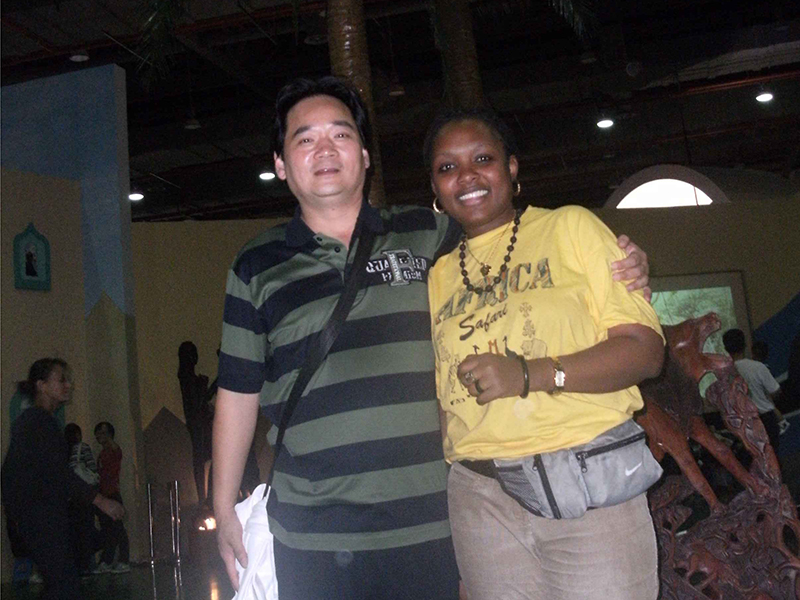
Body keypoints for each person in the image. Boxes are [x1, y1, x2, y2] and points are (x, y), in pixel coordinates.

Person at [212, 76, 651, 599]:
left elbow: (502, 229)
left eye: (341, 134)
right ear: (282, 164)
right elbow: (237, 394)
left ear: (365, 156)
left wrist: (624, 262)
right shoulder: (256, 265)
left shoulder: (426, 234)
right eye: (304, 139)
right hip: (312, 530)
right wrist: (222, 508)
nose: (325, 150)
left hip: (428, 523)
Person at [424, 108, 665, 600]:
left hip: (586, 483)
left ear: (512, 167)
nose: (466, 176)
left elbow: (645, 352)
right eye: (448, 167)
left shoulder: (571, 228)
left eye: (483, 159)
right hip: (479, 497)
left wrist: (529, 374)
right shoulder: (436, 276)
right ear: (435, 187)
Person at [1, 359, 125, 600]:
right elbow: (56, 472)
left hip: (39, 516)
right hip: (40, 517)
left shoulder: (37, 421)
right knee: (65, 586)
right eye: (61, 380)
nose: (68, 385)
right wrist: (100, 501)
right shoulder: (37, 422)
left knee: (63, 585)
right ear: (42, 385)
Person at [723, 329, 785, 452]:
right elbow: (775, 391)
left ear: (726, 349)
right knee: (773, 456)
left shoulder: (725, 374)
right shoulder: (758, 367)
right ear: (745, 345)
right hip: (766, 420)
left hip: (744, 424)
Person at [178, 341, 215, 505]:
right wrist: (205, 385)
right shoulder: (187, 378)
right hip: (198, 424)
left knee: (207, 459)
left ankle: (206, 497)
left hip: (199, 424)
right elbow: (198, 402)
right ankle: (205, 498)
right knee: (203, 460)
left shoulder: (188, 377)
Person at [93, 421, 131, 574]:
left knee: (117, 529)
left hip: (112, 494)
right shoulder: (102, 454)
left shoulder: (114, 450)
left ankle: (124, 560)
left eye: (103, 432)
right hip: (103, 495)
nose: (99, 436)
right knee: (108, 530)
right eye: (98, 433)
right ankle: (107, 561)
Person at [65, 423, 100, 575]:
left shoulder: (63, 451)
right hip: (85, 497)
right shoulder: (83, 448)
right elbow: (92, 470)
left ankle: (78, 565)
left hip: (70, 499)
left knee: (75, 532)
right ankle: (88, 564)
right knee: (87, 530)